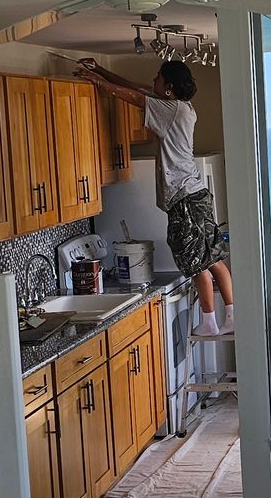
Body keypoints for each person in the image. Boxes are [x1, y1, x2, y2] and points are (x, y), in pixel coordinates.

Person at [77, 58, 234, 335]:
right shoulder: (182, 107)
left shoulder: (171, 110)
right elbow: (137, 89)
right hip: (196, 195)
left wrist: (99, 83)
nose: (153, 81)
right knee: (213, 258)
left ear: (169, 87)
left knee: (197, 263)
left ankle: (209, 322)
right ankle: (231, 317)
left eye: (158, 78)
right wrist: (100, 70)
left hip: (183, 199)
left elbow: (135, 97)